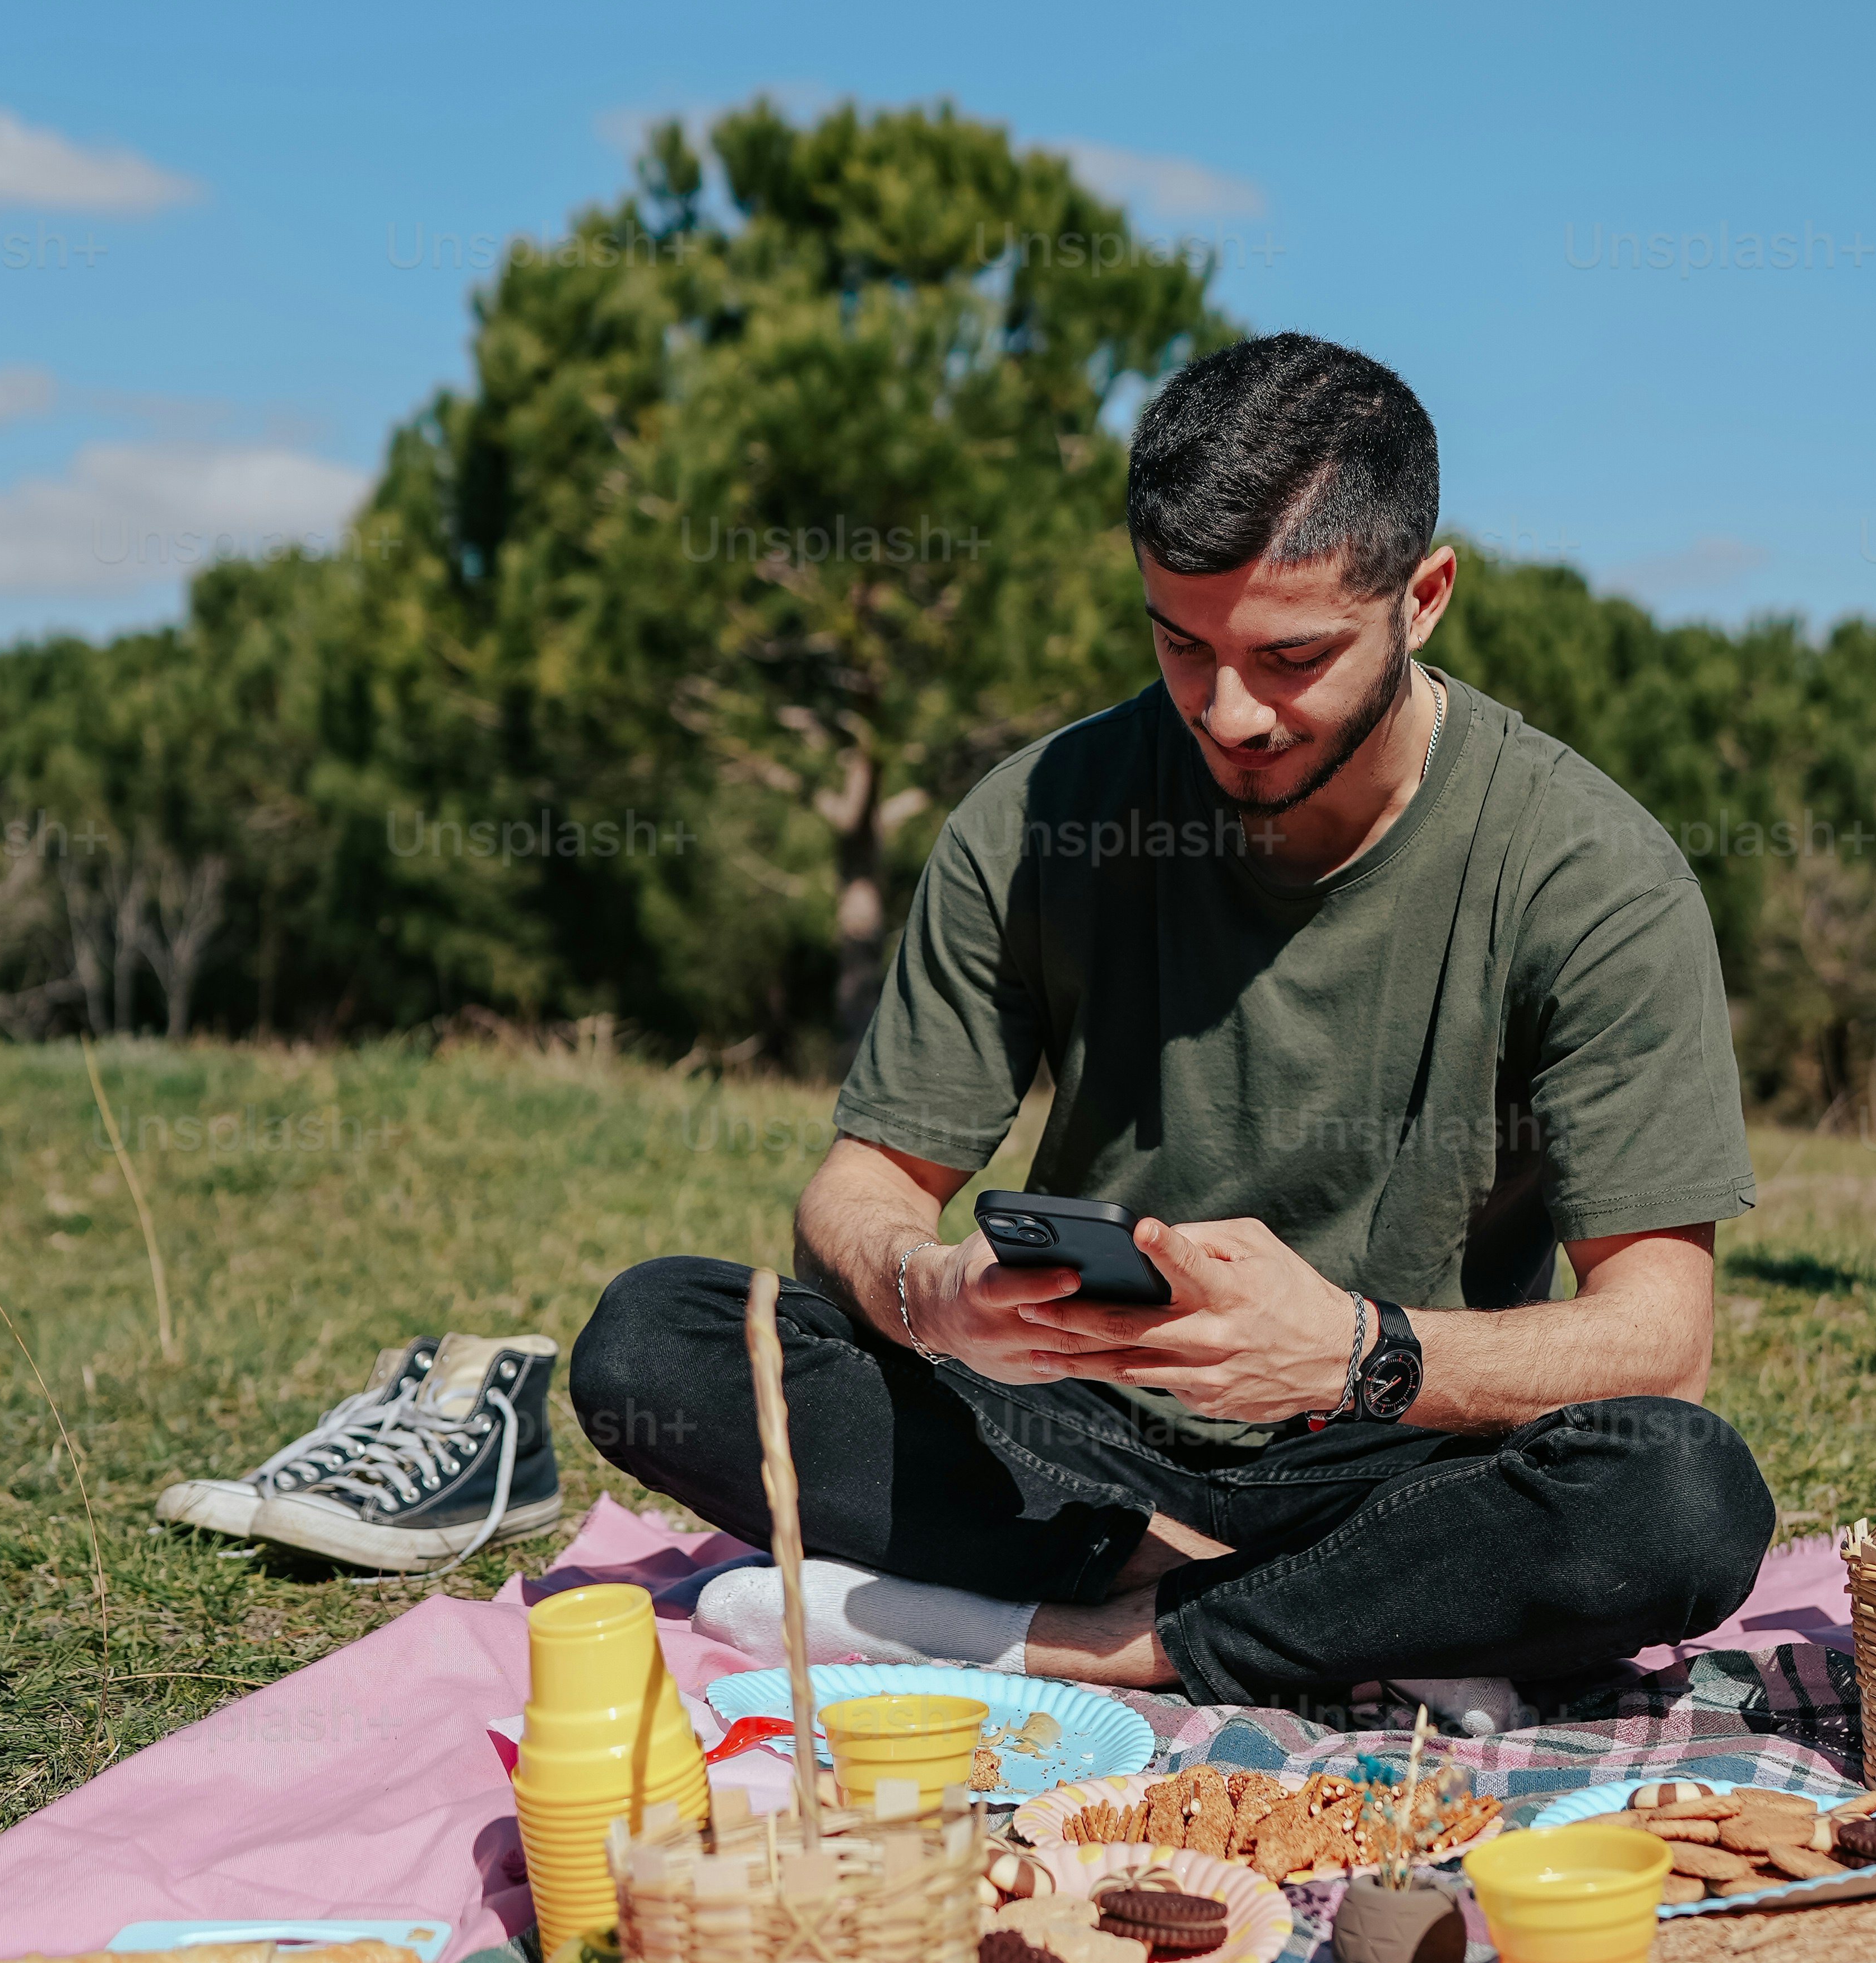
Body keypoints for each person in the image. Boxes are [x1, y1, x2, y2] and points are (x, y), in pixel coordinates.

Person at [573, 333, 1776, 1711]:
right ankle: (1315, 1622)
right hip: (1065, 1451)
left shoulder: (1588, 870)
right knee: (652, 1337)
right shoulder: (1034, 818)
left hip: (1391, 1449)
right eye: (1180, 644)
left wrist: (1354, 1351)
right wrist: (932, 1294)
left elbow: (1659, 1336)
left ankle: (1078, 1640)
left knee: (1681, 1496)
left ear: (1423, 596)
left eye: (1292, 655)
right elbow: (860, 1187)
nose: (1228, 710)